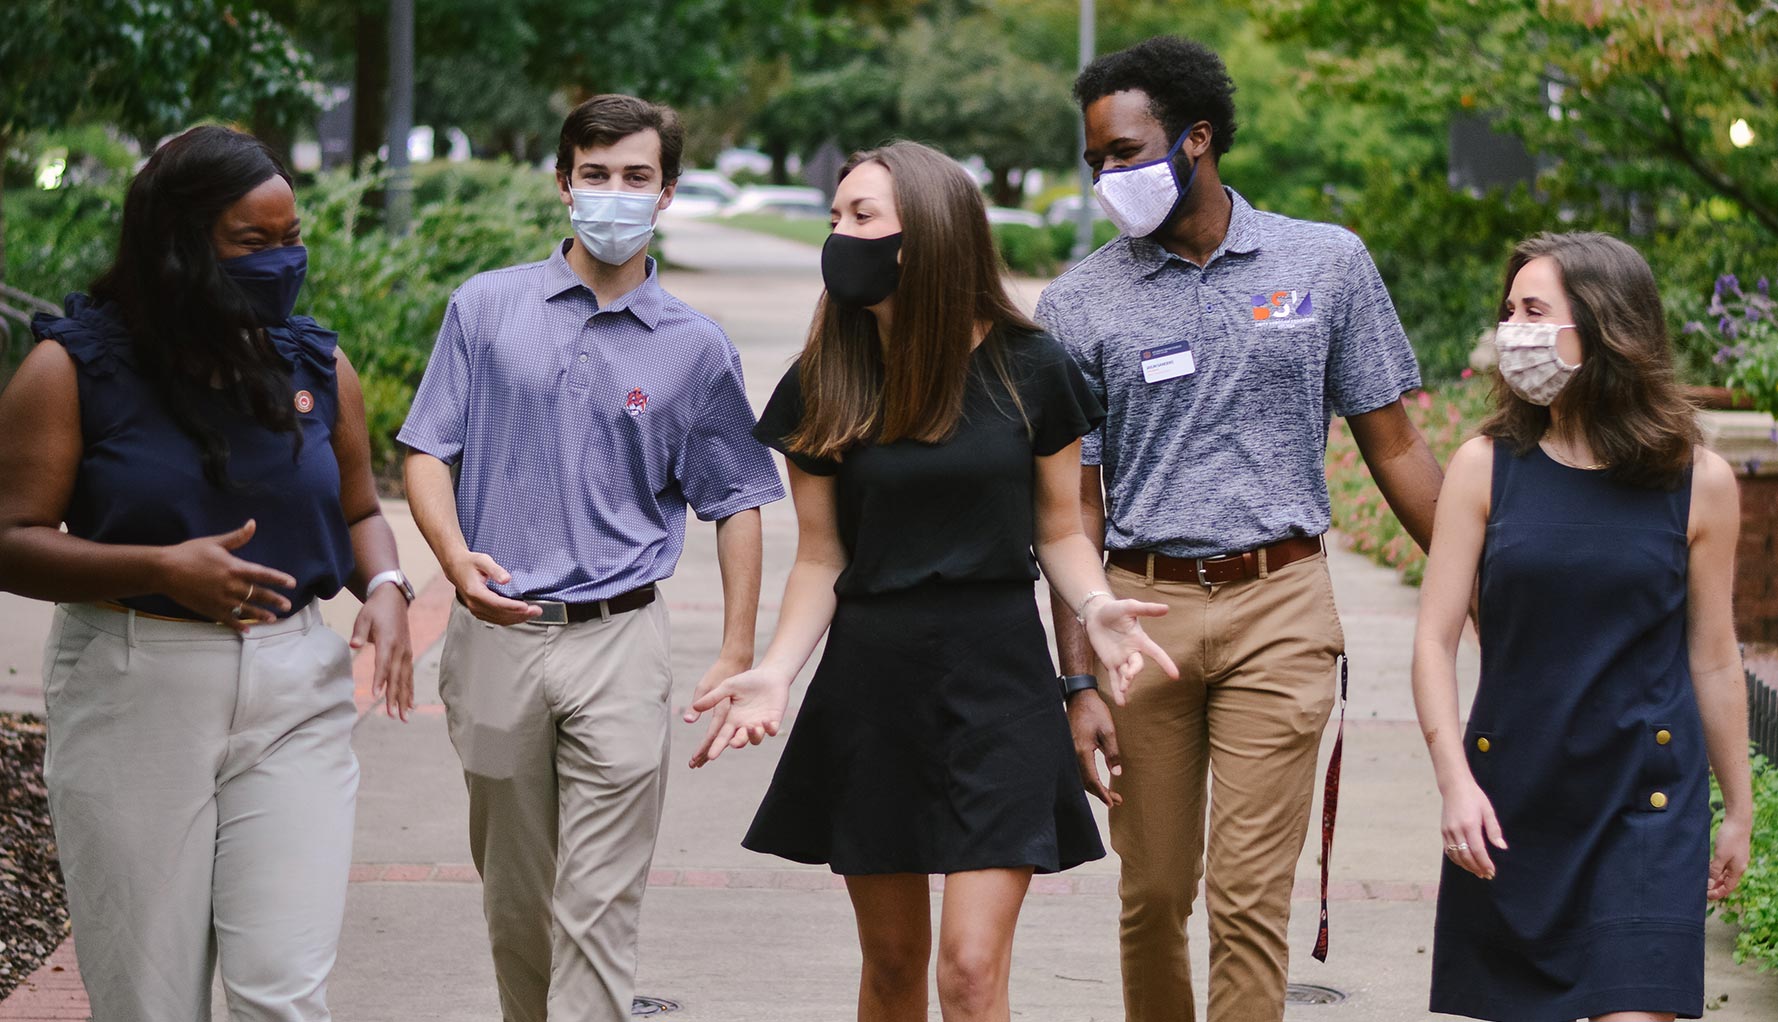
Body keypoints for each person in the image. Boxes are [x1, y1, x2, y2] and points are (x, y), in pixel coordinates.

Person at [687, 139, 1177, 1022]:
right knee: (892, 969)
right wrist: (775, 667)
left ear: (930, 234)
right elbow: (822, 556)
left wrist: (1096, 605)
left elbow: (1059, 528)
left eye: (862, 217)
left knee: (969, 972)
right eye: (837, 217)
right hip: (872, 688)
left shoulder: (1035, 369)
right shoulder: (826, 379)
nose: (842, 235)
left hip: (999, 684)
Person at [1036, 35, 1448, 1022]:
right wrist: (1077, 678)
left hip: (1282, 604)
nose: (1107, 176)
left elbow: (1392, 445)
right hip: (1140, 617)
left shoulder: (1324, 262)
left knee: (1249, 894)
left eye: (1125, 152)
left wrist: (1488, 578)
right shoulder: (1076, 304)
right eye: (1094, 159)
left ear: (1198, 137)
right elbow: (1070, 511)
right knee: (1152, 892)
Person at [0, 124, 414, 1020]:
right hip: (134, 682)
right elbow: (12, 535)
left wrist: (384, 588)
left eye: (292, 238)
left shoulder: (313, 361)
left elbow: (358, 512)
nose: (281, 261)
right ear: (178, 244)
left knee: (283, 992)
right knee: (150, 1002)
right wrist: (156, 566)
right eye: (252, 243)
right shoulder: (70, 370)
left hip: (295, 689)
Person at [398, 93, 785, 1022]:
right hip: (497, 633)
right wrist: (453, 561)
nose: (615, 193)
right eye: (597, 175)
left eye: (637, 178)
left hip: (619, 637)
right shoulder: (486, 308)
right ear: (564, 183)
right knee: (518, 897)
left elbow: (736, 501)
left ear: (665, 195)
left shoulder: (694, 348)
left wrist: (736, 649)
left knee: (599, 902)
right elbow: (424, 449)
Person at [1413, 232, 1753, 1022]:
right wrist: (1454, 784)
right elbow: (1433, 641)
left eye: (1534, 310)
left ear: (1604, 326)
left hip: (1648, 804)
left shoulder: (1700, 483)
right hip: (1512, 802)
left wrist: (1737, 808)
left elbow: (1712, 658)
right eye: (1508, 312)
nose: (1512, 331)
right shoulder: (1483, 467)